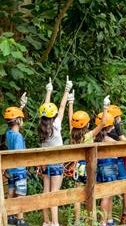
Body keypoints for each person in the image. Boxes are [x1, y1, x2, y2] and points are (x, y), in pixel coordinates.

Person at [68, 92, 110, 225]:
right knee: (90, 192)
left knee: (77, 195)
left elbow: (70, 119)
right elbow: (103, 123)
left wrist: (71, 103)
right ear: (86, 124)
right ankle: (90, 219)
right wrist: (105, 107)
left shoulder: (72, 134)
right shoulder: (88, 136)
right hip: (87, 166)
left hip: (76, 167)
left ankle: (76, 220)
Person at [38, 76, 72, 226]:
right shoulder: (56, 125)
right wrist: (66, 89)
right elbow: (62, 107)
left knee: (46, 193)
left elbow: (45, 109)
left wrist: (48, 91)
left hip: (45, 164)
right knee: (54, 195)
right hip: (57, 164)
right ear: (54, 115)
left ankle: (46, 222)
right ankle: (55, 223)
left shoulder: (41, 128)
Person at [107, 105, 126, 226]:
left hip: (107, 163)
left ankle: (108, 220)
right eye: (119, 117)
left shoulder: (105, 131)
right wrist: (119, 130)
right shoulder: (115, 132)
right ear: (116, 118)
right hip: (118, 163)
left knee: (108, 192)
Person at [5, 93, 29, 226]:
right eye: (21, 118)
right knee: (21, 194)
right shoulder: (18, 136)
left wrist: (21, 106)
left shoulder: (9, 133)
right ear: (18, 121)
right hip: (19, 169)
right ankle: (20, 219)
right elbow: (20, 154)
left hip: (11, 169)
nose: (23, 120)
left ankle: (9, 216)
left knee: (11, 192)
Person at [94, 112, 118, 226]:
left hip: (99, 166)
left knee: (104, 194)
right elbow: (123, 144)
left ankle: (106, 220)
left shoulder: (95, 138)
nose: (113, 127)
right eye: (112, 126)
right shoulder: (108, 140)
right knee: (106, 195)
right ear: (107, 127)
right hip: (109, 166)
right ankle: (103, 222)